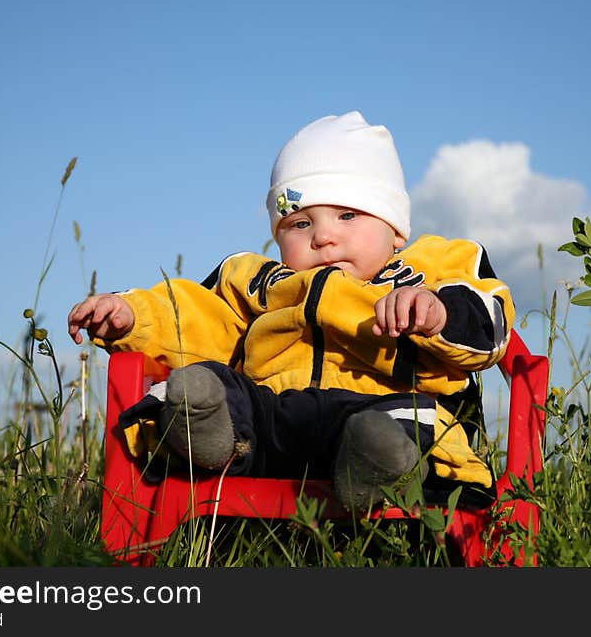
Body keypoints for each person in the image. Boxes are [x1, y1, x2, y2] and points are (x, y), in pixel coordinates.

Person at [67, 111, 515, 511]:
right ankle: (209, 436)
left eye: (348, 216)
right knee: (216, 386)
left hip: (372, 412)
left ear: (395, 229)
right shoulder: (256, 282)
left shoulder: (431, 270)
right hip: (274, 421)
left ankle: (378, 467)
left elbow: (490, 320)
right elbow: (194, 314)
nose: (322, 237)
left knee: (405, 418)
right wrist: (131, 314)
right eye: (300, 223)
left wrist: (438, 313)